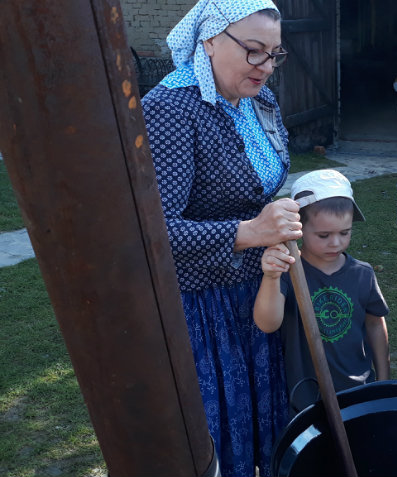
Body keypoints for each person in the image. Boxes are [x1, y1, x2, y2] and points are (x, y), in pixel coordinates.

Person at [140, 1, 299, 475]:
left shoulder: (258, 100)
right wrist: (250, 232)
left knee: (264, 432)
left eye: (274, 54)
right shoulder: (171, 109)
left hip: (259, 294)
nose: (265, 66)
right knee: (218, 440)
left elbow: (259, 187)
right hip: (202, 309)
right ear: (209, 41)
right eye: (253, 50)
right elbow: (153, 234)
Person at [254, 169, 390, 415]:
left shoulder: (362, 274)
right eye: (324, 235)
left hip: (358, 391)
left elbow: (375, 325)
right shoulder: (288, 272)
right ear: (298, 229)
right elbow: (267, 324)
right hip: (306, 400)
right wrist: (271, 277)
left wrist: (383, 379)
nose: (335, 243)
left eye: (344, 232)